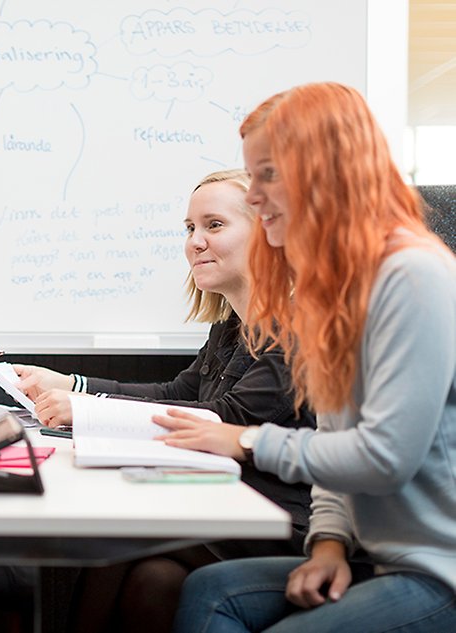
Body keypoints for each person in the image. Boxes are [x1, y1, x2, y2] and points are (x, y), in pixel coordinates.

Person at [159, 82, 456, 632]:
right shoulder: (336, 293)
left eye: (268, 174)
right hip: (372, 557)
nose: (254, 195)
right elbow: (339, 444)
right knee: (210, 589)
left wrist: (246, 440)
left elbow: (385, 456)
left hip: (439, 570)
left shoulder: (413, 275)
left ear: (325, 172)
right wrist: (326, 545)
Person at [13, 170, 316, 633]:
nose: (194, 242)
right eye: (190, 228)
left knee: (117, 545)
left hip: (278, 524)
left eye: (214, 225)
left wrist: (89, 409)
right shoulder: (232, 327)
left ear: (269, 231)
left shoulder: (300, 329)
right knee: (154, 580)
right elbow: (177, 395)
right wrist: (73, 384)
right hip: (223, 506)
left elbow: (223, 421)